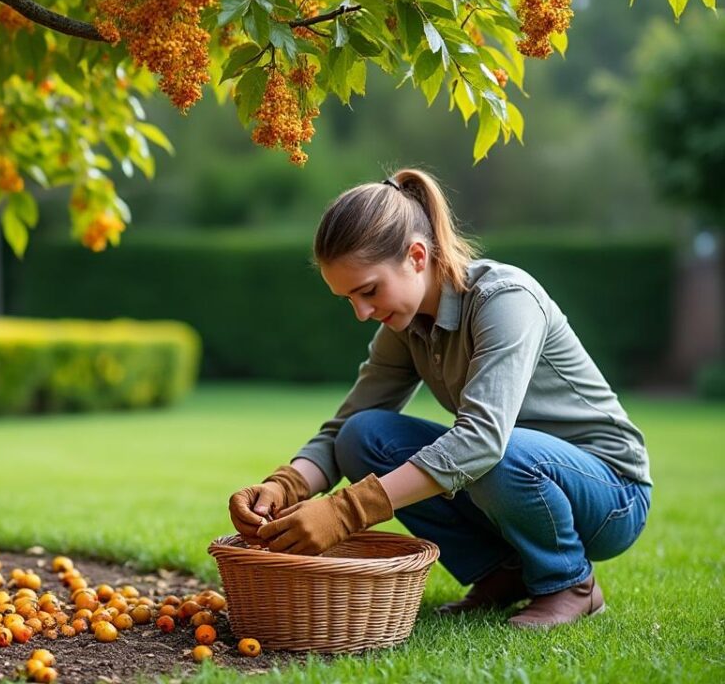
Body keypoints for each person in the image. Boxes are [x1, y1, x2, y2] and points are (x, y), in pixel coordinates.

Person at [228, 169, 652, 629]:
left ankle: (570, 584)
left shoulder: (505, 300)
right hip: (510, 474)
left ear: (416, 256)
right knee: (361, 436)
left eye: (369, 291)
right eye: (349, 299)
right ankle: (503, 573)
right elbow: (345, 426)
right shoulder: (405, 325)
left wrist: (346, 511)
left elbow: (482, 441)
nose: (362, 313)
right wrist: (285, 486)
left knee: (490, 453)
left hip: (611, 494)